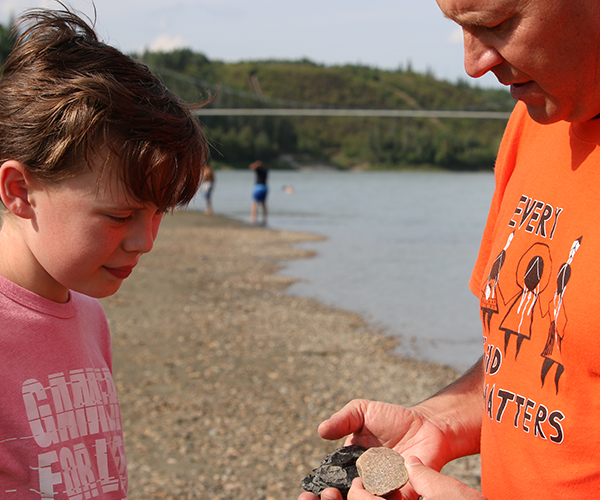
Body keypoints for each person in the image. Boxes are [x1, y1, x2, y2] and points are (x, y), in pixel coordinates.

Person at [299, 1, 600, 499]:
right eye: (459, 27)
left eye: (496, 24)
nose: (473, 63)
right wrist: (435, 421)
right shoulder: (537, 121)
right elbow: (543, 365)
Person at [0, 6, 208, 499]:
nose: (145, 241)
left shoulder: (90, 319)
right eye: (120, 216)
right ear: (20, 191)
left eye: (159, 212)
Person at [250, 160, 268, 225]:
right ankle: (265, 218)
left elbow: (251, 167)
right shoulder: (265, 170)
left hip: (258, 187)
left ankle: (253, 218)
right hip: (265, 187)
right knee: (263, 203)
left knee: (254, 203)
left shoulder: (258, 169)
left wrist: (255, 164)